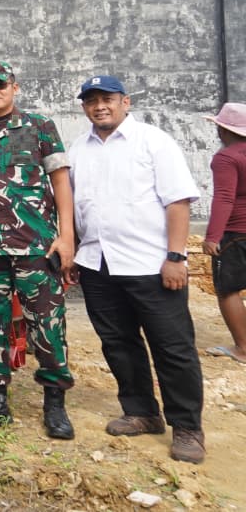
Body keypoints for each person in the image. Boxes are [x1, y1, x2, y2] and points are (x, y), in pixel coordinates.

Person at [68, 74, 205, 464]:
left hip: (151, 264)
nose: (100, 106)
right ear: (84, 107)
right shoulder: (79, 149)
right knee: (118, 343)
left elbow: (178, 201)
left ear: (125, 102)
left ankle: (188, 427)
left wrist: (176, 257)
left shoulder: (153, 142)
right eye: (91, 100)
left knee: (172, 347)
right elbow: (74, 206)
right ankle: (142, 411)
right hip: (98, 264)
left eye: (107, 98)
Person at [0, 61, 76, 439]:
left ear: (14, 87)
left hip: (36, 246)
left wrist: (66, 235)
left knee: (47, 325)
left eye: (0, 85)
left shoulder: (39, 127)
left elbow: (61, 182)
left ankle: (55, 405)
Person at [201, 103, 246, 362]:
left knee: (228, 290)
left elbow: (224, 198)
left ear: (223, 129)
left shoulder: (226, 157)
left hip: (236, 232)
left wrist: (213, 236)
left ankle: (242, 348)